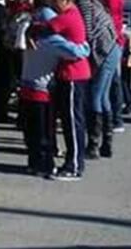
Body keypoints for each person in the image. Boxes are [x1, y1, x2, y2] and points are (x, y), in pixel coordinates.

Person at [19, 20, 90, 176]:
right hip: (42, 90)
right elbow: (76, 52)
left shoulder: (27, 30)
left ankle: (34, 163)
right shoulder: (50, 40)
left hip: (26, 85)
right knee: (45, 132)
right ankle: (45, 164)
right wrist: (86, 46)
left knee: (31, 132)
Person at [44, 0, 92, 182]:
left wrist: (34, 28)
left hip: (73, 74)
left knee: (72, 121)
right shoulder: (71, 14)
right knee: (70, 120)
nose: (53, 6)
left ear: (65, 0)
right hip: (70, 73)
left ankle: (74, 165)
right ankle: (73, 160)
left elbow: (47, 28)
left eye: (55, 1)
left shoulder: (69, 17)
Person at [70, 0, 121, 160]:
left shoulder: (84, 2)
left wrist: (87, 57)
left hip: (103, 50)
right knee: (103, 96)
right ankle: (106, 143)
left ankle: (93, 143)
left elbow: (88, 31)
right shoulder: (94, 0)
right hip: (111, 48)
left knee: (95, 96)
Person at [93, 0, 129, 132]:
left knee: (113, 80)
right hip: (115, 40)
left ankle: (116, 118)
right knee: (112, 80)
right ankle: (114, 118)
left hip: (112, 42)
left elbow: (111, 21)